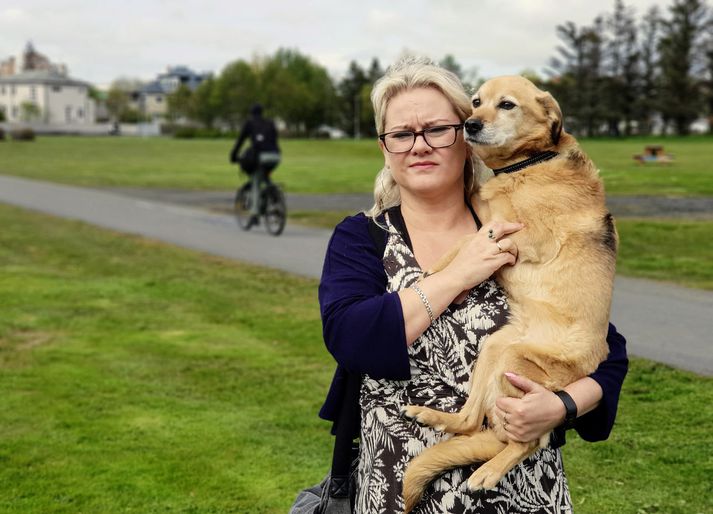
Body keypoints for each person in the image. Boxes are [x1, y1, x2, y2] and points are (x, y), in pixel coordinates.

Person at [317, 57, 628, 513]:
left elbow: (605, 348)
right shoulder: (363, 237)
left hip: (522, 493)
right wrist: (457, 274)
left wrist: (560, 406)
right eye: (402, 134)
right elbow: (351, 338)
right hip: (396, 487)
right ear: (385, 147)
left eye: (439, 129)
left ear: (465, 137)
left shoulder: (517, 223)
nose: (419, 146)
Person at [229, 103, 281, 227]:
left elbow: (240, 141)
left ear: (251, 113)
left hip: (261, 158)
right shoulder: (270, 123)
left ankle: (254, 214)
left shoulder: (250, 123)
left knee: (256, 181)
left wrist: (233, 156)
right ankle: (273, 192)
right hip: (275, 156)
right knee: (265, 175)